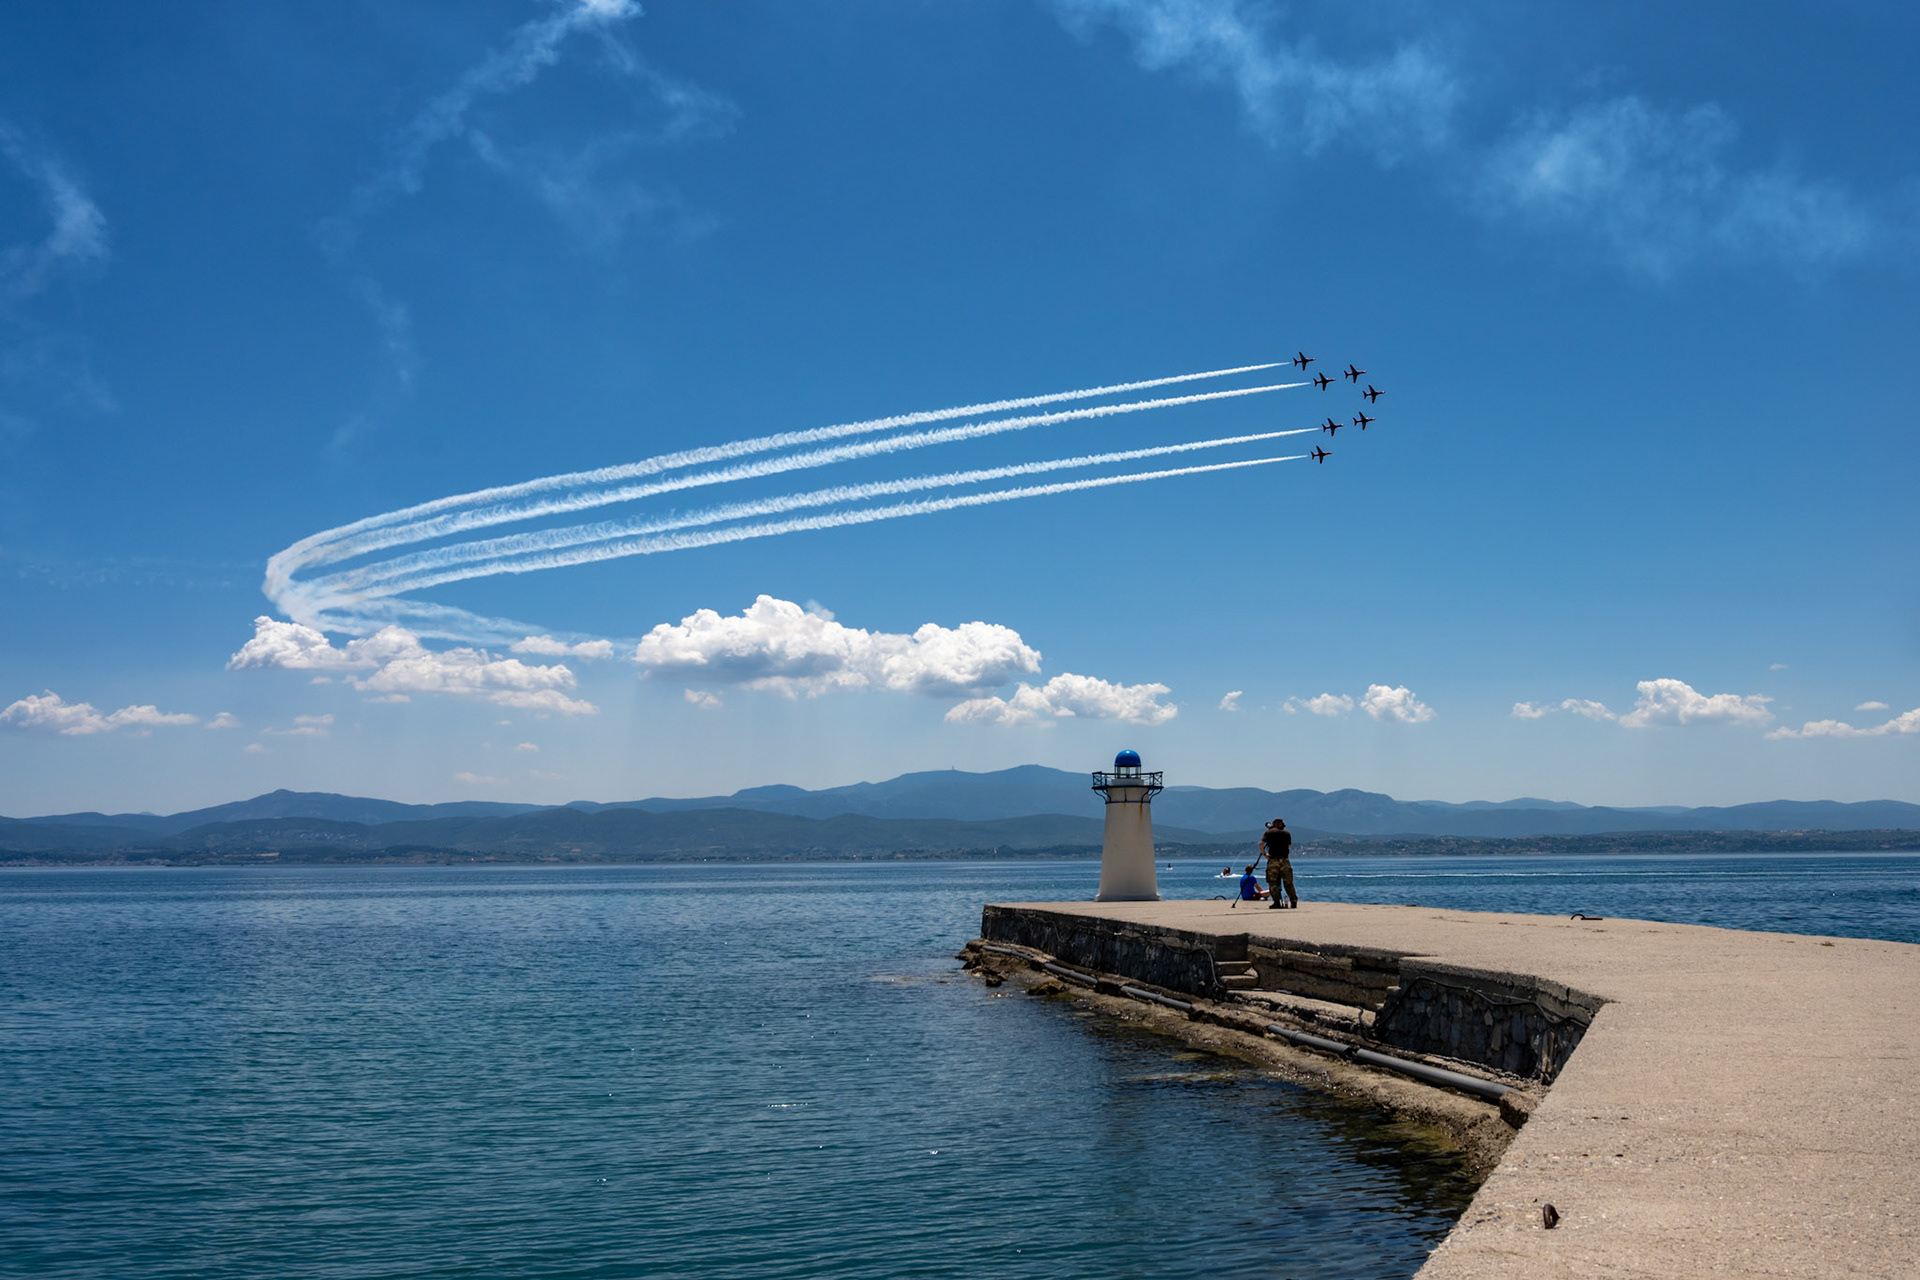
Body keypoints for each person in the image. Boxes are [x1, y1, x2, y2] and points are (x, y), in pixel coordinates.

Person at [1260, 818, 1298, 909]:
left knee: (1272, 882)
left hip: (1273, 860)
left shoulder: (1269, 833)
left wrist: (1264, 854)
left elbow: (1261, 844)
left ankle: (1277, 902)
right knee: (1288, 882)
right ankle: (1293, 901)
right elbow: (1289, 846)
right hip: (1285, 860)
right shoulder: (1287, 833)